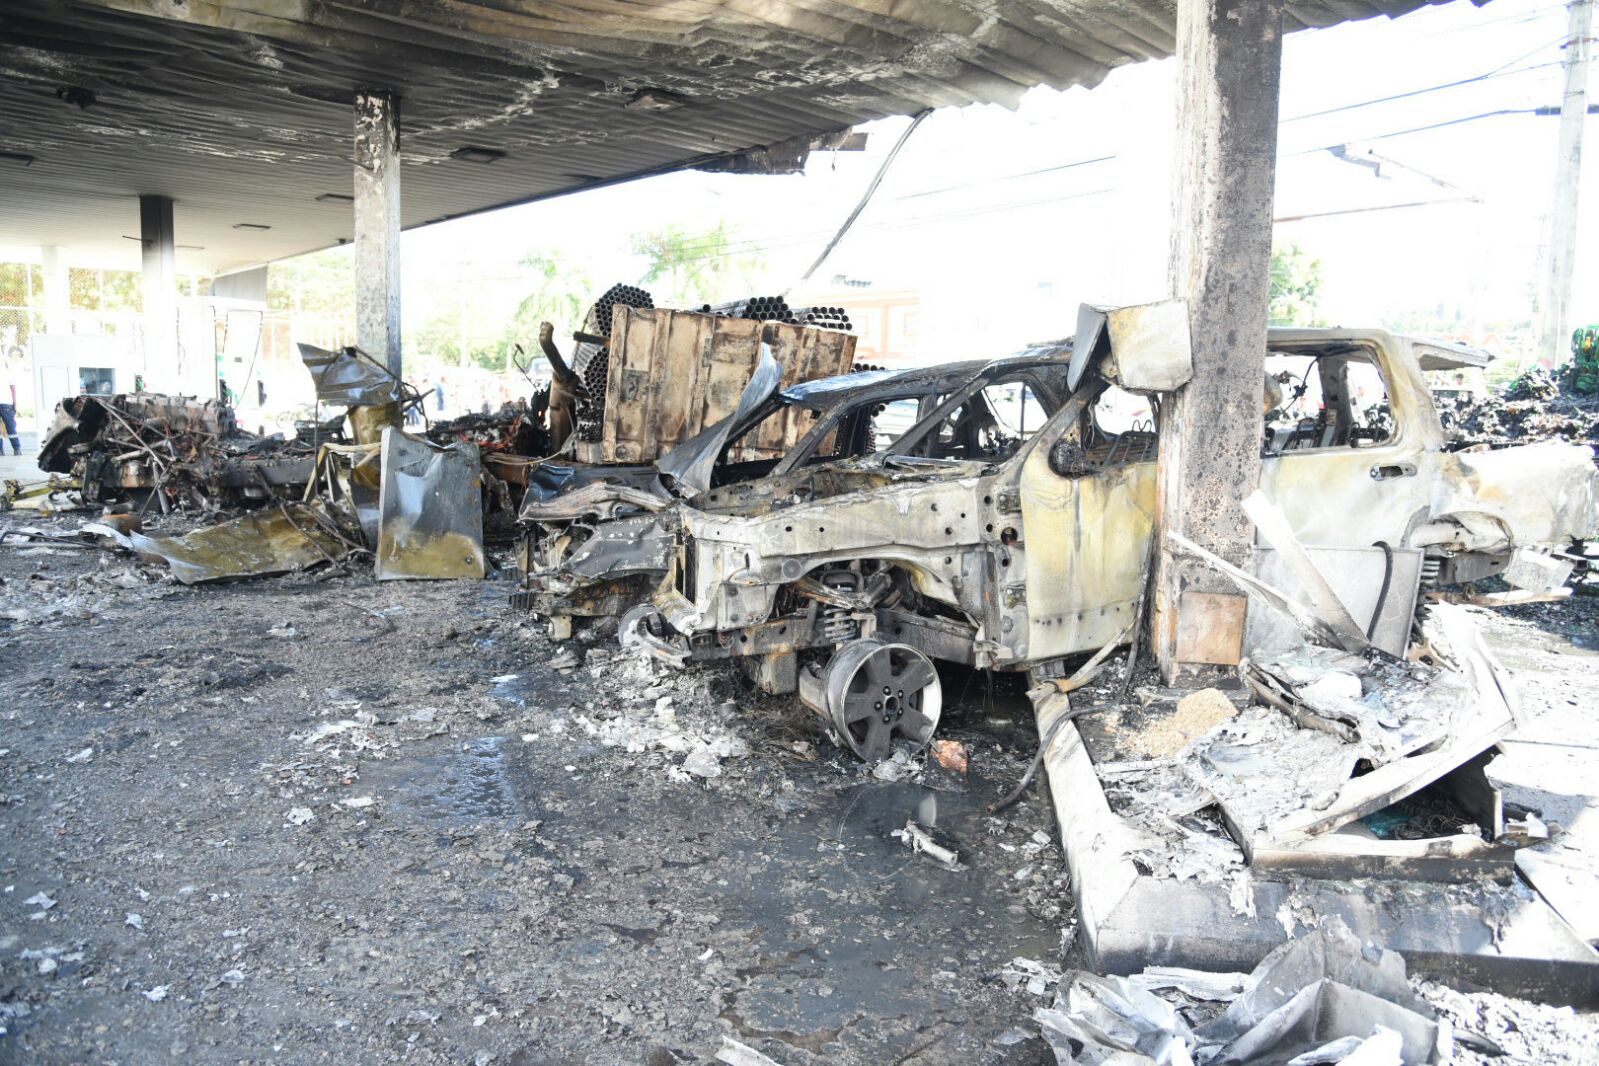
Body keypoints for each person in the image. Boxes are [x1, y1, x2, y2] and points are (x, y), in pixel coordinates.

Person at [0, 353, 20, 455]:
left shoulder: (7, 372)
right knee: (11, 427)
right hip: (6, 404)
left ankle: (0, 451)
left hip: (5, 403)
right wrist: (15, 403)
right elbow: (13, 389)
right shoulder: (8, 372)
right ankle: (17, 449)